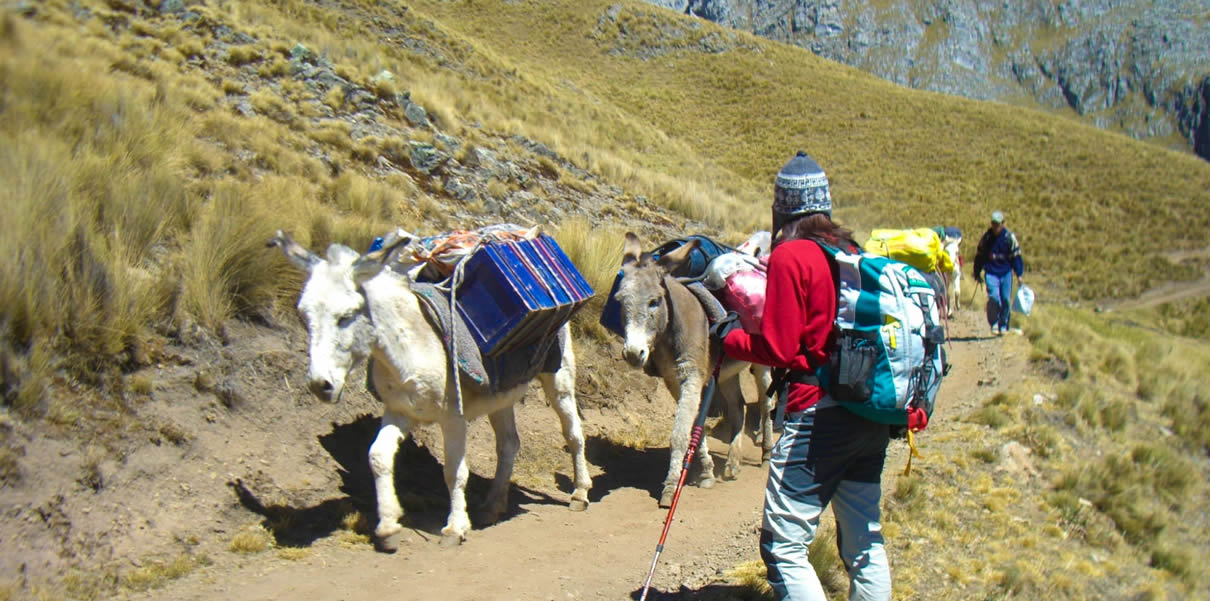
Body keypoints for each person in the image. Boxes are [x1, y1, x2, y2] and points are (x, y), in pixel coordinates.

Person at [713, 151, 892, 601]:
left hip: (818, 416)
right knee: (864, 541)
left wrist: (729, 338)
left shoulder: (792, 255)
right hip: (867, 411)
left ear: (781, 208)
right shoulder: (852, 252)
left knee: (783, 547)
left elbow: (779, 348)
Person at [972, 210, 1025, 336]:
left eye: (998, 224)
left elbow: (1016, 256)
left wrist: (1019, 274)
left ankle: (1003, 325)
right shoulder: (987, 238)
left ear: (1003, 224)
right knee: (994, 298)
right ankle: (994, 323)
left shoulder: (1009, 238)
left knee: (1006, 300)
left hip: (1006, 273)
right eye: (993, 224)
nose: (995, 226)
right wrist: (977, 272)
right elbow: (979, 256)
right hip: (991, 272)